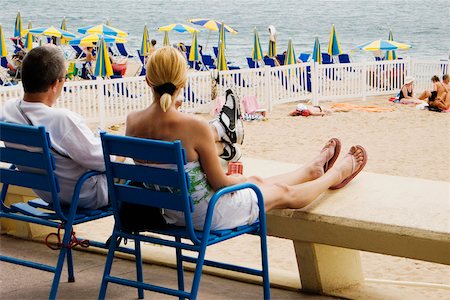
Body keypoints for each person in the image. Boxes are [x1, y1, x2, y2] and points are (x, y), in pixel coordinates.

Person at [125, 46, 368, 231]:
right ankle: (338, 173)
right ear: (183, 82)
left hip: (172, 211)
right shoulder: (195, 127)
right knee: (282, 192)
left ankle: (311, 170)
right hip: (207, 216)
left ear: (148, 81)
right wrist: (237, 177)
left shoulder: (132, 121)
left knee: (257, 180)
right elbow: (220, 183)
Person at [1, 45, 114, 209]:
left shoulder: (8, 111)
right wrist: (120, 156)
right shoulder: (61, 120)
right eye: (64, 78)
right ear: (55, 84)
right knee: (131, 175)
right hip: (84, 195)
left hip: (49, 192)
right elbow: (102, 161)